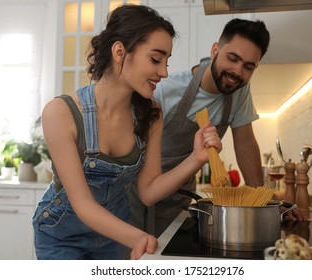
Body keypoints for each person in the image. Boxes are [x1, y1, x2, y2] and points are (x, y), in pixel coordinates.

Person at [32, 4, 222, 260]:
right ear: (120, 52)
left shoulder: (151, 113)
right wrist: (137, 236)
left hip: (115, 235)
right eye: (155, 59)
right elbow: (83, 205)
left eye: (167, 62)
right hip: (62, 237)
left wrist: (196, 158)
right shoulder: (60, 113)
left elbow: (148, 190)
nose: (164, 72)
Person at [129, 18, 271, 237]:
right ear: (215, 50)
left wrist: (263, 205)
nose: (237, 71)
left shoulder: (239, 90)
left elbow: (245, 142)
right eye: (232, 58)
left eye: (248, 67)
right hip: (140, 196)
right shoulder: (165, 90)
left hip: (181, 198)